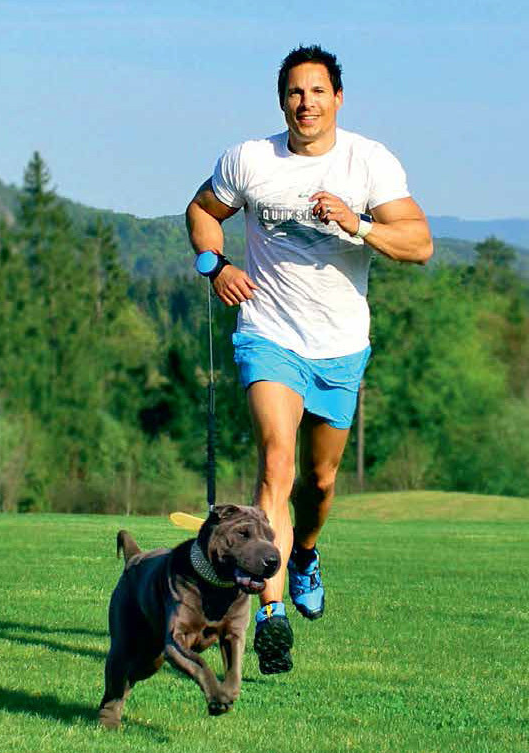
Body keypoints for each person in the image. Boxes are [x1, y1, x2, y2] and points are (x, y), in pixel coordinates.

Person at [186, 44, 433, 675]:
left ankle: (305, 553)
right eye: (295, 92)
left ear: (338, 98)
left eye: (317, 91)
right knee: (277, 464)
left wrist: (358, 225)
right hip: (268, 333)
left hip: (340, 347)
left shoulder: (368, 161)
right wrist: (215, 264)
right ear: (281, 100)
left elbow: (419, 243)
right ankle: (271, 615)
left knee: (319, 483)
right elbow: (203, 210)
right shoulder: (249, 159)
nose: (306, 103)